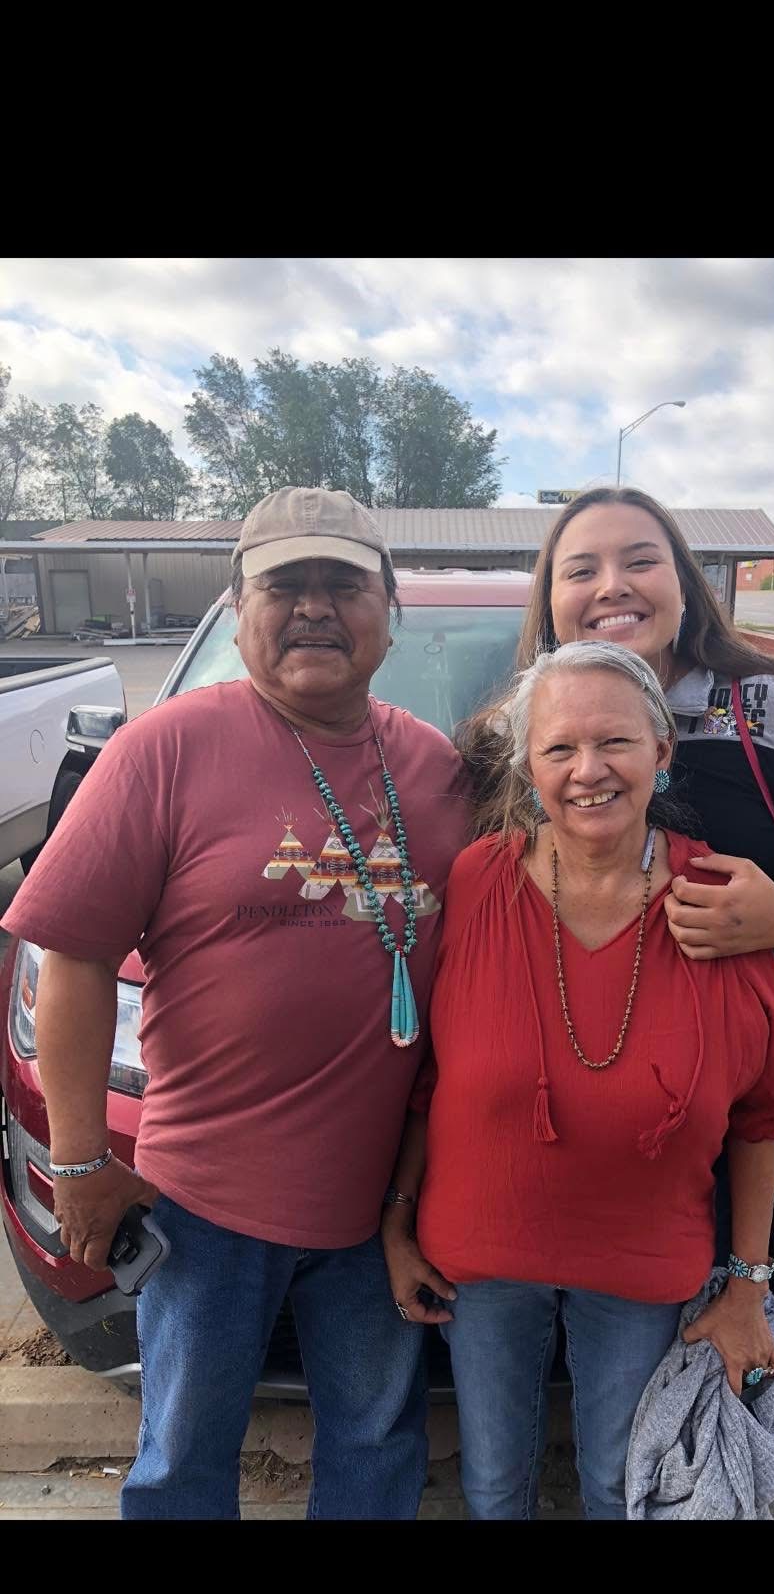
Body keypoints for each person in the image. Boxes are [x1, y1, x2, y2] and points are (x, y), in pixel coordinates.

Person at [3, 485, 470, 1520]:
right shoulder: (162, 750)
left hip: (385, 1207)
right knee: (182, 1457)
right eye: (284, 584)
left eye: (343, 584)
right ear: (238, 605)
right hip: (203, 1210)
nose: (314, 608)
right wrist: (78, 1161)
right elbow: (72, 955)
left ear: (388, 609)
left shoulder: (440, 771)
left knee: (377, 1445)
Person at [457, 487, 774, 1521]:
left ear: (683, 580)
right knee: (669, 1318)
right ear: (549, 596)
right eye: (580, 568)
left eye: (639, 559)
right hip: (629, 1054)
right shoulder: (511, 727)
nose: (611, 586)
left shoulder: (772, 702)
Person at [382, 642, 774, 1520]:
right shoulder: (476, 880)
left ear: (660, 751)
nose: (587, 770)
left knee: (622, 1489)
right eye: (559, 748)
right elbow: (431, 1079)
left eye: (614, 742)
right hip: (478, 1260)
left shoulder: (715, 897)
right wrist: (397, 1224)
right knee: (491, 1487)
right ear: (529, 767)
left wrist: (746, 1288)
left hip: (642, 1268)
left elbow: (765, 1113)